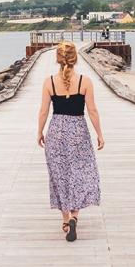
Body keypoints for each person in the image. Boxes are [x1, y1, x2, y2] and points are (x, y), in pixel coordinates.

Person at [37, 42, 104, 242]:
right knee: (78, 173)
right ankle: (75, 214)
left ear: (58, 58)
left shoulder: (49, 81)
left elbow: (43, 111)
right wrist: (99, 133)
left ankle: (65, 219)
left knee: (60, 175)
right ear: (75, 58)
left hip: (56, 131)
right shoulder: (85, 81)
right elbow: (92, 110)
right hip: (78, 132)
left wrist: (39, 132)